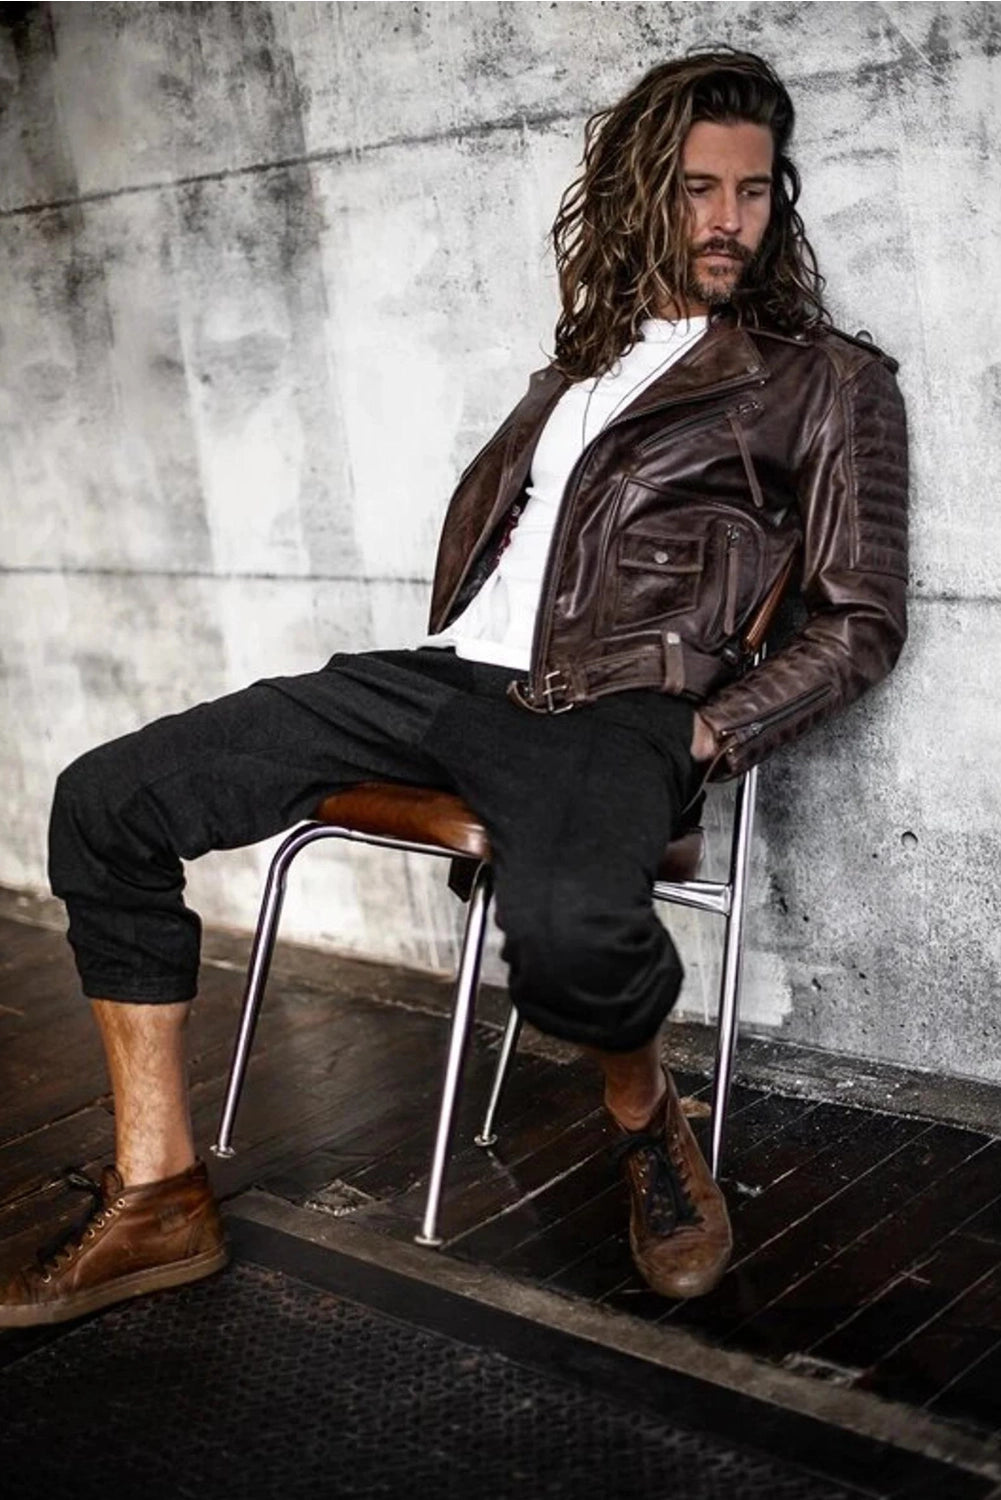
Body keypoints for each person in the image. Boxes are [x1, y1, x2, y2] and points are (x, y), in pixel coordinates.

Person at [0, 49, 907, 1327]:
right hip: (447, 685)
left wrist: (705, 732)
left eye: (751, 192)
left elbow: (860, 623)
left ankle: (646, 1120)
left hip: (618, 707)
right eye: (697, 189)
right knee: (109, 800)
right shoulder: (575, 370)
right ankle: (158, 1196)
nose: (726, 220)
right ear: (640, 192)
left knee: (573, 937)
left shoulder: (824, 380)